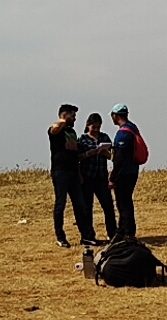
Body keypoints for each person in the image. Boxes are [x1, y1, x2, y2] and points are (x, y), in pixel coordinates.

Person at [48, 103, 98, 248]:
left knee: (80, 204)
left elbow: (74, 154)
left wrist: (78, 172)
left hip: (73, 173)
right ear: (64, 115)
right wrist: (63, 120)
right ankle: (60, 237)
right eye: (73, 115)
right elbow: (55, 128)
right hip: (60, 172)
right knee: (60, 204)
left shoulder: (72, 132)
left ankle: (86, 236)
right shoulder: (55, 130)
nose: (75, 119)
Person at [77, 112, 117, 242]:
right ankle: (88, 235)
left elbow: (113, 156)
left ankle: (113, 233)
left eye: (98, 127)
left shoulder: (105, 137)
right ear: (88, 126)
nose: (96, 130)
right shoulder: (82, 139)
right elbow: (77, 158)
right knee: (87, 207)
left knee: (108, 206)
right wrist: (89, 154)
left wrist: (106, 153)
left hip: (101, 177)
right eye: (93, 127)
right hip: (87, 176)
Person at [110, 103, 142, 240]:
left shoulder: (123, 133)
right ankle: (122, 230)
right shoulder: (133, 128)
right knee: (126, 201)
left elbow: (119, 159)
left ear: (115, 116)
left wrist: (112, 177)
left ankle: (128, 233)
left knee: (123, 204)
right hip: (133, 170)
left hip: (124, 172)